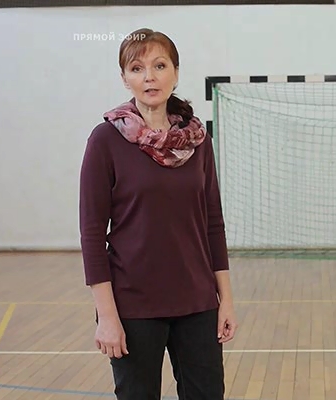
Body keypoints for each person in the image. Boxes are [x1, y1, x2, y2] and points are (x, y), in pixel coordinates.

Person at [79, 27, 237, 399]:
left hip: (197, 303)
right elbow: (91, 234)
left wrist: (225, 299)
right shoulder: (105, 140)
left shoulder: (198, 141)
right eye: (137, 68)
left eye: (159, 65)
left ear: (175, 73)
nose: (149, 77)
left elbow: (213, 223)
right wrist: (107, 316)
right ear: (125, 78)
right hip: (133, 306)